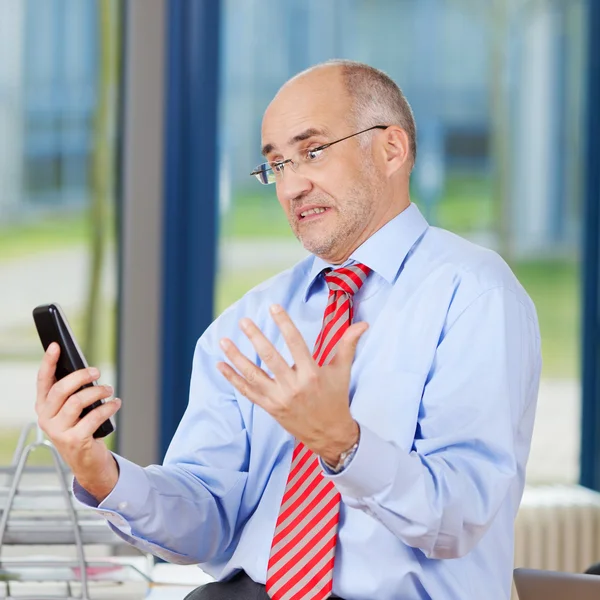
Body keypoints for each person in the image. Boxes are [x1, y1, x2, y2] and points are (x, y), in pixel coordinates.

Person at [35, 60, 541, 600]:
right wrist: (101, 474)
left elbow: (460, 517)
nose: (292, 185)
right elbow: (207, 520)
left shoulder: (475, 294)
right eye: (276, 165)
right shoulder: (250, 322)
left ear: (392, 149)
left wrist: (342, 445)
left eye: (313, 152)